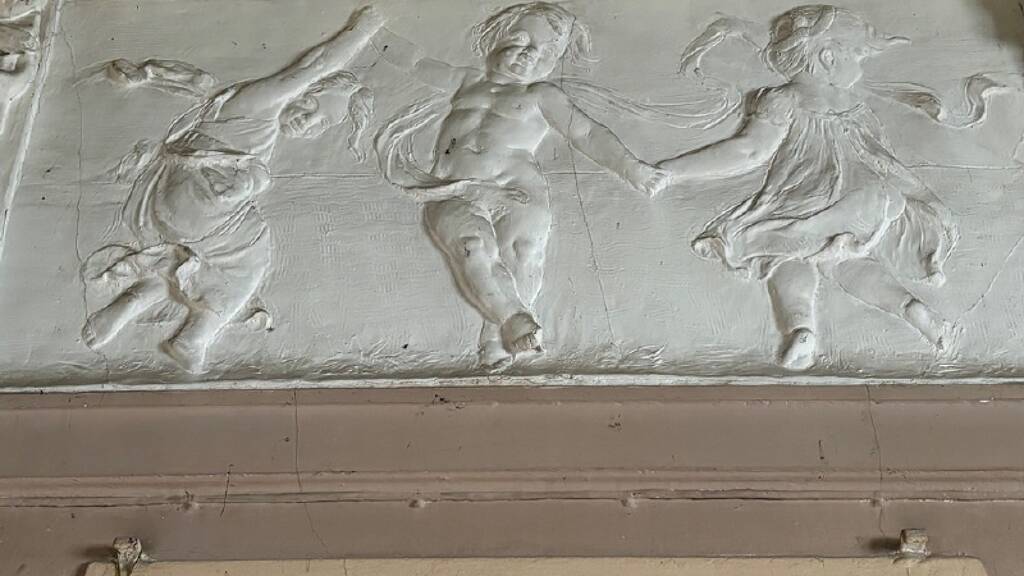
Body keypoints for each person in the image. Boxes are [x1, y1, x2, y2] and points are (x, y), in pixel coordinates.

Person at [659, 5, 1004, 370]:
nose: (860, 66)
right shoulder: (858, 109)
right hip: (865, 199)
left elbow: (749, 151)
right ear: (827, 57)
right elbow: (884, 163)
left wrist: (672, 170)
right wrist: (924, 198)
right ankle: (911, 308)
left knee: (785, 254)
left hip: (806, 198)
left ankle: (801, 327)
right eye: (857, 55)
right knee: (848, 262)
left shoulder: (784, 99)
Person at [82, 7, 381, 373]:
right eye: (314, 109)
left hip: (169, 200)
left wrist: (146, 73)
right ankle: (195, 336)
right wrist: (362, 30)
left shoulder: (240, 107)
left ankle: (126, 305)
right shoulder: (262, 101)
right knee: (251, 256)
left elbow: (191, 81)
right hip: (198, 198)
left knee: (197, 260)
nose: (310, 123)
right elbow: (316, 64)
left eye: (322, 126)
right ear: (303, 92)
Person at [375, 2, 668, 368]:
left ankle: (498, 338)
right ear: (496, 37)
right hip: (458, 188)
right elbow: (416, 62)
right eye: (521, 40)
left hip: (518, 188)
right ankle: (513, 318)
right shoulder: (466, 82)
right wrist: (372, 31)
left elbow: (586, 133)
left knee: (523, 254)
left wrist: (631, 168)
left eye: (546, 52)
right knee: (471, 246)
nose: (530, 55)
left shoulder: (540, 95)